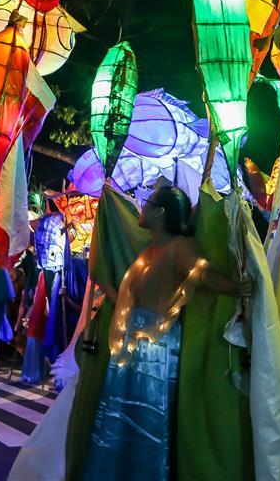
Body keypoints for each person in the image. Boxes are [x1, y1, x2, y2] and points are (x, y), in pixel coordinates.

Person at [82, 186, 238, 480]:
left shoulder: (178, 246)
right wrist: (105, 284)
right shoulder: (147, 252)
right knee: (119, 419)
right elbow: (130, 304)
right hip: (129, 348)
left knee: (149, 424)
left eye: (148, 202)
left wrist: (232, 286)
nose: (142, 207)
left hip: (157, 350)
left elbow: (199, 273)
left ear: (161, 212)